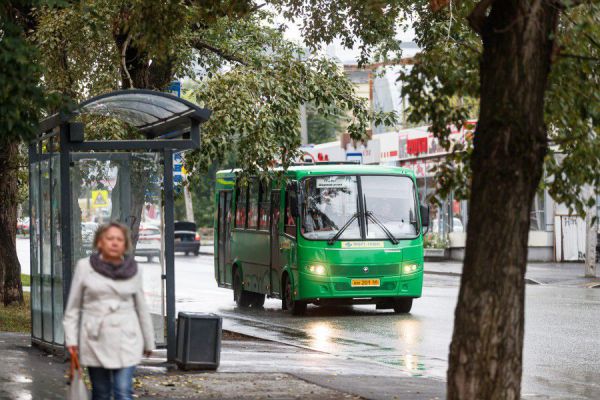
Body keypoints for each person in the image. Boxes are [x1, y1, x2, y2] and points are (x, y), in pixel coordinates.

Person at [63, 222, 155, 400]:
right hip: (95, 339)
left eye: (119, 239)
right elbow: (73, 308)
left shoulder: (134, 269)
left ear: (125, 245)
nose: (114, 243)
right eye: (110, 238)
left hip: (127, 339)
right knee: (101, 393)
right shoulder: (85, 267)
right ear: (99, 243)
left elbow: (141, 307)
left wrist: (149, 341)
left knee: (123, 390)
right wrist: (71, 340)